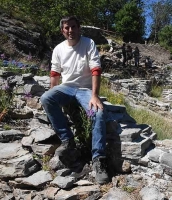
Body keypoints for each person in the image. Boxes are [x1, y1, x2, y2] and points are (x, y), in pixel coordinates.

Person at [40, 16, 109, 185]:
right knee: (46, 98)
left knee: (98, 113)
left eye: (73, 27)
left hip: (85, 89)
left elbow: (96, 70)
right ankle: (67, 140)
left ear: (79, 28)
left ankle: (99, 159)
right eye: (66, 28)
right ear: (62, 30)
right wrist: (53, 94)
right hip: (66, 87)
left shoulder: (88, 43)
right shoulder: (58, 49)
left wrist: (95, 95)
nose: (70, 30)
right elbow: (55, 74)